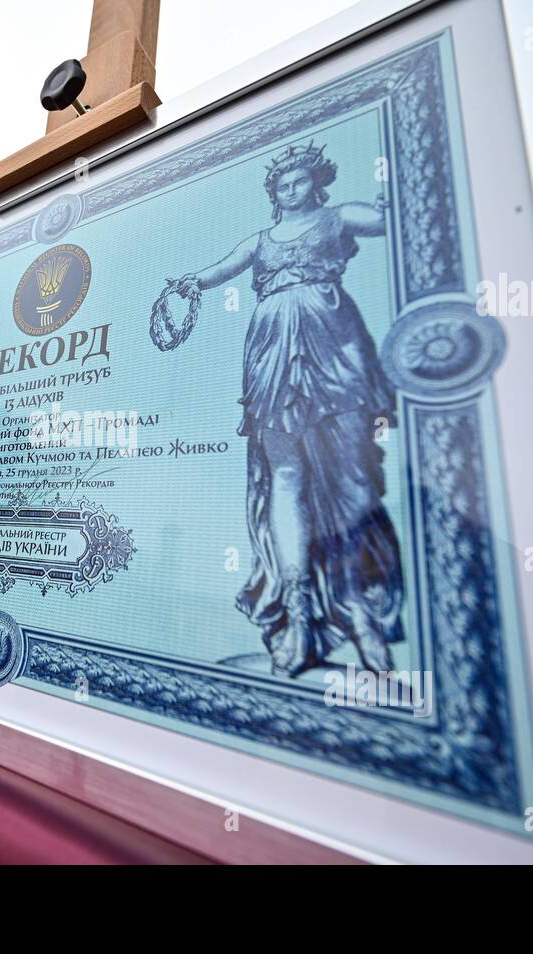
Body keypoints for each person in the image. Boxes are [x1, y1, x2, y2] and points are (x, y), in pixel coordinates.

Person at [174, 141, 404, 676]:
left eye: (298, 180)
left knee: (353, 477)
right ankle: (298, 615)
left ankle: (358, 608)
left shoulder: (337, 217)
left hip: (333, 341)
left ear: (316, 183)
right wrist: (189, 283)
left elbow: (386, 220)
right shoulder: (259, 241)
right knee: (285, 475)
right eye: (281, 184)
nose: (289, 189)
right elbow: (219, 270)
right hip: (272, 352)